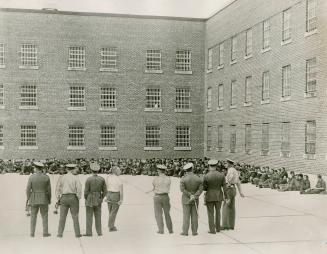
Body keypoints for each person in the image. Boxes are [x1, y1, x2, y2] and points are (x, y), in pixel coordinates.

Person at [55, 164, 82, 238]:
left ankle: (60, 233)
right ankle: (77, 234)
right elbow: (79, 188)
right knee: (75, 217)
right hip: (73, 197)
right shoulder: (75, 178)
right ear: (73, 169)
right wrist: (78, 197)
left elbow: (58, 188)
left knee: (62, 217)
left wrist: (58, 198)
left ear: (67, 169)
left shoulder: (62, 177)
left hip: (64, 197)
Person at [26, 162, 51, 237]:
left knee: (33, 216)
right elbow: (49, 191)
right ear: (42, 168)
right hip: (44, 198)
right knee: (45, 216)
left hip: (34, 198)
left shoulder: (31, 177)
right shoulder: (46, 177)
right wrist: (49, 199)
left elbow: (28, 189)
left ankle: (32, 233)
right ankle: (45, 233)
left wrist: (28, 199)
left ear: (36, 168)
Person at [147, 164, 173, 234]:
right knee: (167, 214)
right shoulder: (168, 179)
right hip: (165, 197)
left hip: (157, 197)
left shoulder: (156, 179)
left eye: (158, 170)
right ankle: (170, 230)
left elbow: (154, 187)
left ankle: (161, 230)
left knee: (158, 214)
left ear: (159, 171)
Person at [203, 159, 227, 234]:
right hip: (219, 195)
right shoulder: (221, 175)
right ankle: (218, 228)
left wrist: (204, 198)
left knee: (210, 213)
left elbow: (204, 189)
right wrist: (226, 197)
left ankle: (212, 230)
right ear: (216, 166)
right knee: (218, 212)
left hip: (209, 196)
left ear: (209, 166)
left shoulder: (206, 176)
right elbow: (225, 188)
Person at [83, 162, 107, 236]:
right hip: (98, 198)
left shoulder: (88, 179)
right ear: (98, 170)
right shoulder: (102, 179)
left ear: (91, 170)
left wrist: (86, 198)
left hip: (90, 198)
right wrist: (101, 197)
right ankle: (99, 232)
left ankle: (89, 233)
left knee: (89, 216)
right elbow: (105, 191)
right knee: (98, 216)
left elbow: (86, 191)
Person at [180, 162, 203, 236]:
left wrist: (190, 195)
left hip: (186, 199)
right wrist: (194, 196)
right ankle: (194, 232)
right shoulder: (198, 178)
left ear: (186, 170)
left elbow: (182, 190)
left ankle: (185, 232)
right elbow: (200, 190)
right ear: (192, 168)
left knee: (186, 216)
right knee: (194, 216)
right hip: (195, 200)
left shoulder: (183, 179)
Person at [221, 159, 245, 230]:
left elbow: (230, 177)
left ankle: (225, 225)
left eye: (226, 163)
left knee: (225, 206)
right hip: (233, 189)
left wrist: (228, 183)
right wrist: (240, 192)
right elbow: (238, 182)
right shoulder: (235, 171)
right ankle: (231, 225)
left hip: (229, 189)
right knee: (231, 207)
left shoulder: (230, 170)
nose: (225, 164)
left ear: (229, 164)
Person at [106, 166, 123, 232]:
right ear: (115, 171)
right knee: (113, 212)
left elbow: (107, 187)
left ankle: (111, 225)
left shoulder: (108, 177)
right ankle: (111, 226)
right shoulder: (118, 179)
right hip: (115, 195)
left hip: (109, 194)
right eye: (119, 170)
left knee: (110, 211)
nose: (120, 171)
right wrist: (121, 199)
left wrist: (106, 196)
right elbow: (121, 191)